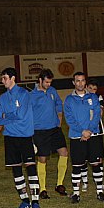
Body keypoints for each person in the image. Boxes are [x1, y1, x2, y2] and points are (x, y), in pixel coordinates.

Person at [0, 67, 41, 208]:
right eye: (2, 78)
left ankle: (35, 202)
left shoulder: (24, 94)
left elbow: (20, 115)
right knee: (16, 170)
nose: (3, 81)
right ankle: (25, 201)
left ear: (13, 78)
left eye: (5, 78)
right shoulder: (2, 98)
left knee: (31, 168)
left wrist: (6, 115)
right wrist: (10, 115)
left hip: (25, 136)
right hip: (10, 137)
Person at [64, 72, 104, 203]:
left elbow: (97, 115)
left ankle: (100, 191)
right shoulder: (69, 100)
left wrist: (89, 131)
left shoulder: (93, 97)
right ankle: (76, 193)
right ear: (73, 82)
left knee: (95, 164)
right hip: (77, 136)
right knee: (77, 166)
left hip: (92, 135)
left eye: (82, 81)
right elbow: (69, 119)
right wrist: (82, 131)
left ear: (85, 82)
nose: (80, 83)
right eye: (77, 81)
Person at [30, 69, 69, 198]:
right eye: (46, 82)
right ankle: (42, 189)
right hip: (40, 131)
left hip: (54, 129)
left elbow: (58, 103)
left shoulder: (52, 91)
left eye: (50, 82)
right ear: (40, 80)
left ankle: (59, 184)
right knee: (42, 158)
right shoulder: (32, 95)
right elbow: (27, 113)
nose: (48, 84)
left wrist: (59, 117)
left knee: (64, 152)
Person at [83, 79, 104, 192]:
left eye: (95, 89)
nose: (93, 91)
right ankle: (85, 182)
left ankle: (100, 182)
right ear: (86, 87)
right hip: (83, 131)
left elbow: (99, 113)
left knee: (99, 157)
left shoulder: (98, 98)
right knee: (83, 157)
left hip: (97, 131)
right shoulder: (80, 98)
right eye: (90, 88)